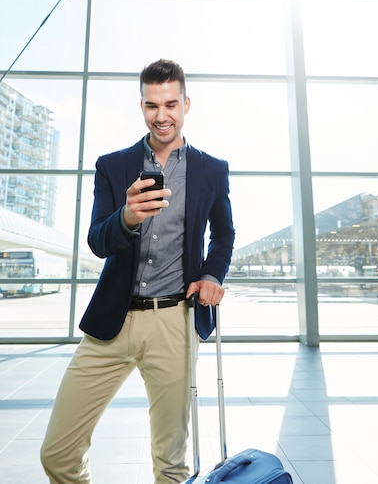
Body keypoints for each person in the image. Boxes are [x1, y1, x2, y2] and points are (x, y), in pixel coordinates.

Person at [40, 59, 235, 484]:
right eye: (151, 105)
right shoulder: (113, 166)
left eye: (170, 104)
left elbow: (223, 235)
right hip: (113, 319)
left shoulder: (212, 170)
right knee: (57, 454)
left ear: (186, 103)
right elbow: (97, 240)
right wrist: (127, 216)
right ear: (141, 106)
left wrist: (213, 276)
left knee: (171, 464)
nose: (161, 115)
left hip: (174, 322)